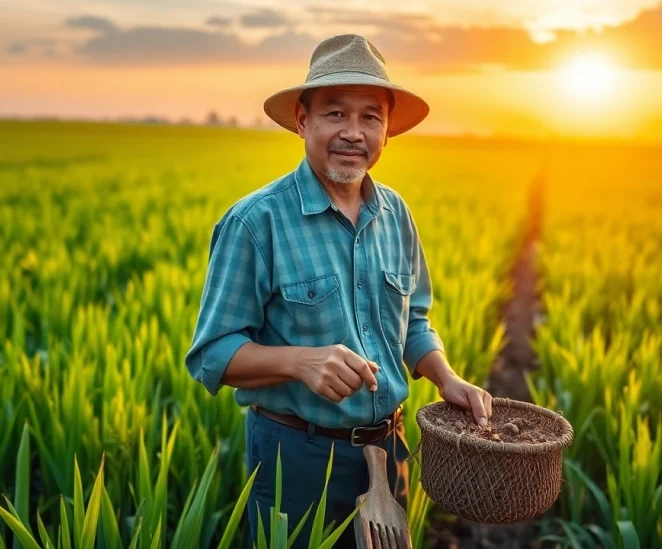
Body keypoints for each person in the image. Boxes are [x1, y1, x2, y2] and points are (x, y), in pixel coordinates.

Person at [184, 34, 493, 549]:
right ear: (303, 121)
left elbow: (413, 323)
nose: (354, 133)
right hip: (295, 457)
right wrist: (300, 361)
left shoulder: (396, 215)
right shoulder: (256, 222)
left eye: (370, 117)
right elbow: (212, 353)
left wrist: (445, 376)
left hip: (389, 455)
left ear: (387, 132)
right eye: (335, 114)